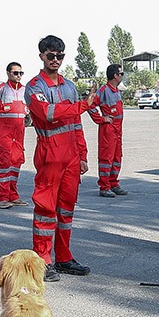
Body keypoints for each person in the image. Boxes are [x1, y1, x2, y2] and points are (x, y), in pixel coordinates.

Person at [24, 36, 98, 280]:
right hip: (50, 154)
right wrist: (82, 105)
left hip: (71, 156)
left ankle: (64, 258)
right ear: (42, 56)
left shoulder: (69, 86)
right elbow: (47, 113)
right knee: (46, 209)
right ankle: (42, 260)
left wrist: (82, 154)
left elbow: (76, 124)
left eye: (60, 56)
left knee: (66, 209)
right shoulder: (34, 87)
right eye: (51, 55)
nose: (55, 60)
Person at [0, 62, 29, 209]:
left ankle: (13, 196)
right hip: (5, 133)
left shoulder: (25, 90)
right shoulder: (0, 90)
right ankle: (3, 198)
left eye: (21, 73)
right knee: (4, 164)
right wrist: (3, 122)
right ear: (8, 73)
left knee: (16, 163)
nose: (18, 76)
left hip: (19, 134)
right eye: (15, 73)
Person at [89, 64, 127, 197]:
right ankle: (104, 187)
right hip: (108, 129)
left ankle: (113, 183)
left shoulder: (117, 91)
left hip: (118, 129)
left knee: (117, 157)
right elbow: (90, 105)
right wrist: (101, 119)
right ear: (115, 75)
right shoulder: (104, 90)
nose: (122, 76)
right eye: (121, 74)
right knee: (107, 157)